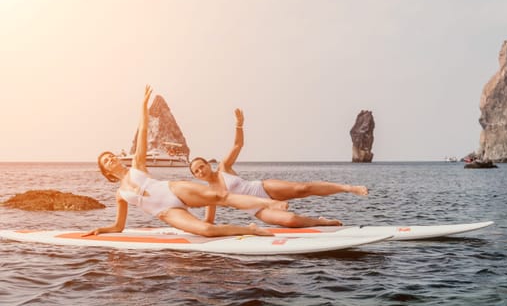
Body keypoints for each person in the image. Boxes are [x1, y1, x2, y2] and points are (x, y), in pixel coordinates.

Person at [84, 86, 289, 238]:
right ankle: (250, 230)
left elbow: (143, 133)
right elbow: (119, 226)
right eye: (106, 161)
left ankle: (272, 203)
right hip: (166, 212)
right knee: (206, 230)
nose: (111, 160)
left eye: (111, 156)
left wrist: (143, 107)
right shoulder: (120, 194)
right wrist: (102, 229)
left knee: (220, 196)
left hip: (174, 189)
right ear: (107, 172)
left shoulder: (137, 164)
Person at [189, 108, 369, 228]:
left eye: (201, 166)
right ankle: (323, 223)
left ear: (208, 165)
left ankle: (348, 188)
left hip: (262, 188)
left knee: (302, 189)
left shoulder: (223, 168)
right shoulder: (209, 195)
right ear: (196, 176)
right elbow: (209, 221)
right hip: (257, 209)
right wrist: (185, 224)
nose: (200, 171)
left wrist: (239, 124)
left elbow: (237, 145)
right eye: (196, 171)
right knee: (290, 220)